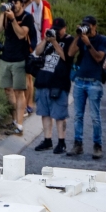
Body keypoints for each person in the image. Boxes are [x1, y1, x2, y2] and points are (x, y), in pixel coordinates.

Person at [67, 15, 106, 159]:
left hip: (94, 82)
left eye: (88, 25)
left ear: (94, 26)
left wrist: (88, 43)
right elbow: (70, 53)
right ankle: (78, 144)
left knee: (95, 117)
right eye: (84, 24)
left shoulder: (101, 40)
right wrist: (78, 37)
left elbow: (99, 58)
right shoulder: (81, 38)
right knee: (78, 115)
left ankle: (97, 145)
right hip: (79, 81)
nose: (86, 27)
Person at [0, 0, 36, 136]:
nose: (13, 4)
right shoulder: (7, 15)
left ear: (22, 4)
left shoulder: (27, 18)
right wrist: (3, 13)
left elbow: (21, 34)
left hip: (19, 59)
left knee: (19, 91)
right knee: (7, 90)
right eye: (11, 1)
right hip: (6, 58)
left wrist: (13, 20)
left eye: (16, 2)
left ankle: (19, 124)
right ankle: (13, 121)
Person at [31, 17, 72, 155]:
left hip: (59, 83)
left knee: (59, 115)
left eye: (58, 30)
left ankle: (62, 142)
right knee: (45, 113)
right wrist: (45, 39)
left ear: (64, 28)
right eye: (54, 29)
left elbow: (66, 57)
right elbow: (37, 52)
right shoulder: (48, 39)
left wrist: (55, 42)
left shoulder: (68, 40)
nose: (56, 32)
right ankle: (47, 140)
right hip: (43, 81)